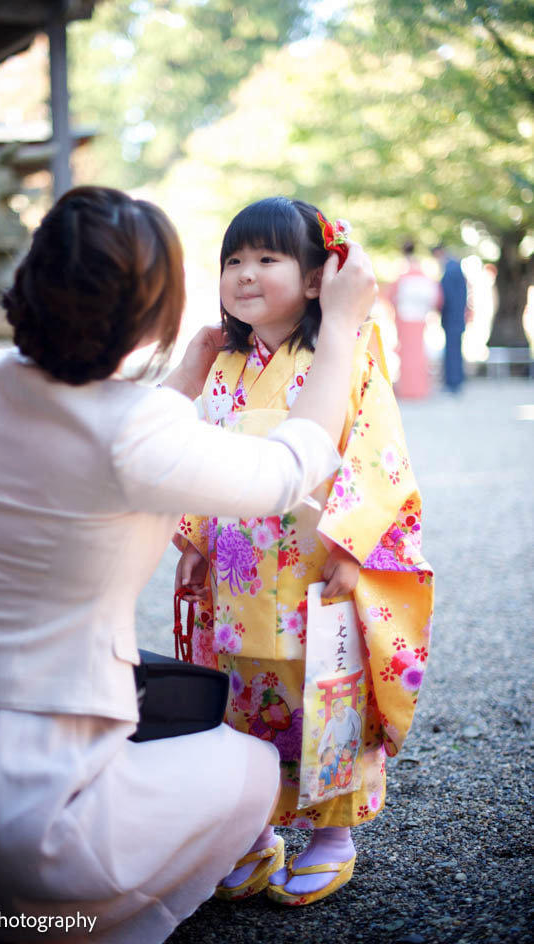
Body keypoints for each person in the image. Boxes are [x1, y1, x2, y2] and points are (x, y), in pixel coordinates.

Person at [0, 186, 377, 943]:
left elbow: (125, 434)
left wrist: (184, 373)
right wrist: (341, 328)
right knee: (251, 769)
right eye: (228, 262)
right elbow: (282, 471)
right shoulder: (138, 432)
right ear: (161, 308)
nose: (244, 275)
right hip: (27, 825)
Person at [175, 197, 434, 908]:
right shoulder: (225, 366)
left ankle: (331, 838)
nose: (245, 274)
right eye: (233, 261)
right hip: (238, 570)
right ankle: (252, 833)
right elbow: (199, 455)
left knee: (322, 695)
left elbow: (377, 451)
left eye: (267, 259)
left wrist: (357, 545)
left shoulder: (341, 353)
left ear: (318, 279)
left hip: (314, 564)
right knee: (242, 702)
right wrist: (196, 537)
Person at [387, 239, 441, 398]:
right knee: (419, 350)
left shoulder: (402, 271)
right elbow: (435, 295)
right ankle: (420, 387)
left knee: (406, 351)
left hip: (405, 314)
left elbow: (392, 294)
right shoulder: (422, 270)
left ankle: (408, 388)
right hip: (420, 315)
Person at [432, 244, 468, 392]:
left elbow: (448, 295)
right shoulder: (454, 267)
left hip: (452, 316)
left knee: (453, 350)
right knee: (454, 349)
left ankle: (453, 382)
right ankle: (454, 381)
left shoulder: (451, 269)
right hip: (455, 316)